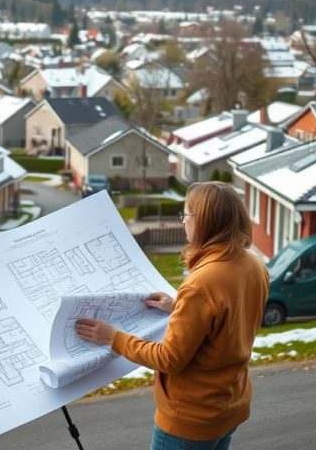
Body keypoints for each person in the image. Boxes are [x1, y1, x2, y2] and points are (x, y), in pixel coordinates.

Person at [76, 182, 270, 450]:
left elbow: (169, 359)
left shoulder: (201, 284)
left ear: (205, 221)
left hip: (192, 419)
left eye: (186, 215)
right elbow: (227, 317)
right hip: (230, 405)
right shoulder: (253, 264)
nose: (183, 223)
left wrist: (113, 337)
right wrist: (179, 305)